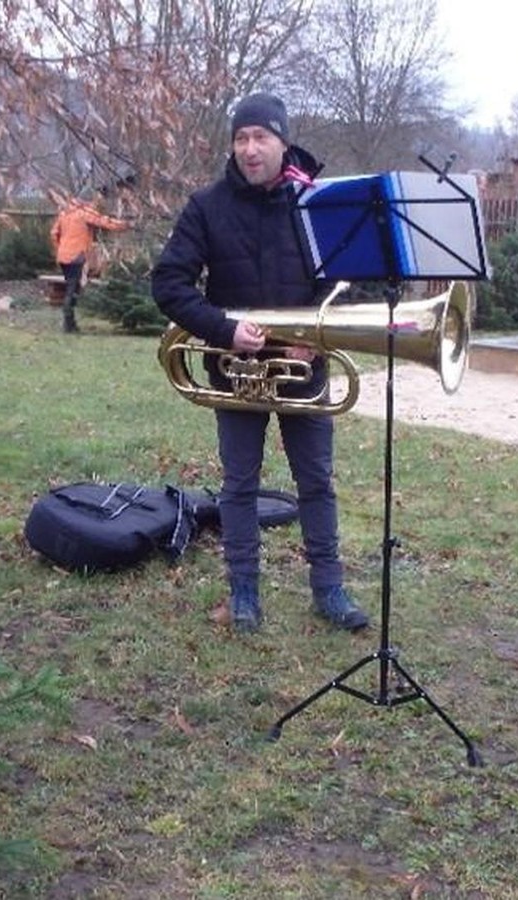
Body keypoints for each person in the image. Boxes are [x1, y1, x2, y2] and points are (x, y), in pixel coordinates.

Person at [151, 91, 367, 635]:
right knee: (239, 486)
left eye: (261, 137)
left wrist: (315, 336)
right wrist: (223, 330)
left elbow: (349, 279)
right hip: (235, 371)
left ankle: (329, 588)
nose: (250, 149)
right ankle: (243, 590)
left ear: (283, 142)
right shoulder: (206, 206)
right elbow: (169, 283)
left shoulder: (317, 201)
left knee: (315, 481)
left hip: (303, 367)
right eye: (241, 138)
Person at [50, 190, 127, 333]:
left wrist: (59, 248)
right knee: (73, 289)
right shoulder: (84, 213)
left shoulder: (64, 213)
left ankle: (70, 323)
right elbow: (103, 221)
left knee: (71, 286)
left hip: (63, 256)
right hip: (76, 256)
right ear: (86, 201)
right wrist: (123, 225)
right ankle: (68, 324)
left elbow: (53, 234)